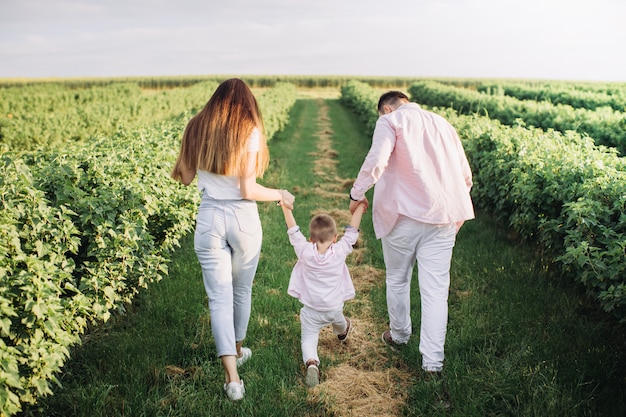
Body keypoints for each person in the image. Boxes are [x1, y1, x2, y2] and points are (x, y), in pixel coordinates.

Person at [170, 78, 295, 401]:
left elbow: (184, 178)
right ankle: (237, 350)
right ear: (246, 103)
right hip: (243, 219)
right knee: (241, 290)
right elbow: (248, 189)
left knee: (219, 298)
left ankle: (233, 378)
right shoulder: (249, 129)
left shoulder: (195, 126)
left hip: (210, 217)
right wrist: (280, 194)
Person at [348, 90, 474, 377]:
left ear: (387, 109)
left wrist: (356, 193)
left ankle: (400, 334)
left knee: (398, 277)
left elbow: (377, 160)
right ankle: (432, 364)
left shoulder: (390, 121)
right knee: (435, 290)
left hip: (403, 215)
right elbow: (466, 177)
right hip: (443, 216)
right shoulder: (443, 124)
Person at [281, 202, 366, 387]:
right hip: (334, 307)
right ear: (335, 238)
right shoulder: (339, 251)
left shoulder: (304, 251)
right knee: (339, 320)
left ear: (311, 238)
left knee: (309, 340)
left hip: (311, 311)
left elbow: (293, 231)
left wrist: (285, 207)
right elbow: (352, 233)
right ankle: (342, 330)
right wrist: (359, 207)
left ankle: (312, 363)